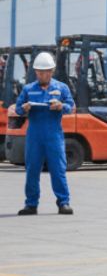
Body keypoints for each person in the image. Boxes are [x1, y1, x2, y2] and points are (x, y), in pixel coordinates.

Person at [15, 51, 75, 215]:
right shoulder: (28, 89)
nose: (44, 74)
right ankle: (31, 204)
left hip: (54, 136)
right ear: (36, 72)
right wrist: (24, 108)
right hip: (34, 136)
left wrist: (61, 106)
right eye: (40, 72)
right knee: (32, 170)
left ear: (52, 71)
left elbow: (71, 106)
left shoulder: (61, 88)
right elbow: (18, 109)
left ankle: (63, 202)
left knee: (58, 170)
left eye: (47, 71)